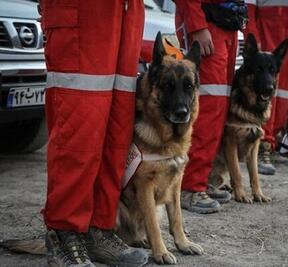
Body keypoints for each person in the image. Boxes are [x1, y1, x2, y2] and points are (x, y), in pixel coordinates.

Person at [40, 0, 148, 266]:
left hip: (126, 11)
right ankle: (64, 233)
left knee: (116, 133)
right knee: (79, 132)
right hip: (83, 12)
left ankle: (98, 227)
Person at [174, 0, 246, 213]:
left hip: (226, 23)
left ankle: (204, 179)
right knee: (206, 108)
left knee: (218, 107)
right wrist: (197, 25)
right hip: (207, 23)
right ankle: (189, 187)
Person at [244, 0, 288, 175]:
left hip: (287, 30)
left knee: (282, 94)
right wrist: (253, 38)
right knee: (264, 92)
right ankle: (261, 146)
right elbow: (249, 7)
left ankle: (271, 142)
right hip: (266, 30)